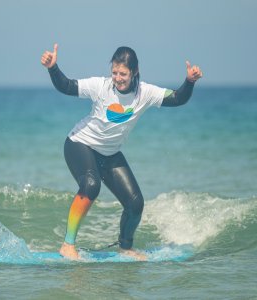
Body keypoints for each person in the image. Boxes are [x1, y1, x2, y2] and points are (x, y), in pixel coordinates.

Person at [40, 43, 203, 260]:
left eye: (123, 73)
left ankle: (126, 247)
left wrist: (190, 82)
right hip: (80, 144)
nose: (118, 78)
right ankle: (67, 245)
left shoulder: (145, 93)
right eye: (115, 72)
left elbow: (177, 98)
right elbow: (66, 86)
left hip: (109, 152)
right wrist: (53, 68)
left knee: (135, 203)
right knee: (90, 185)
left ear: (134, 72)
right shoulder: (100, 86)